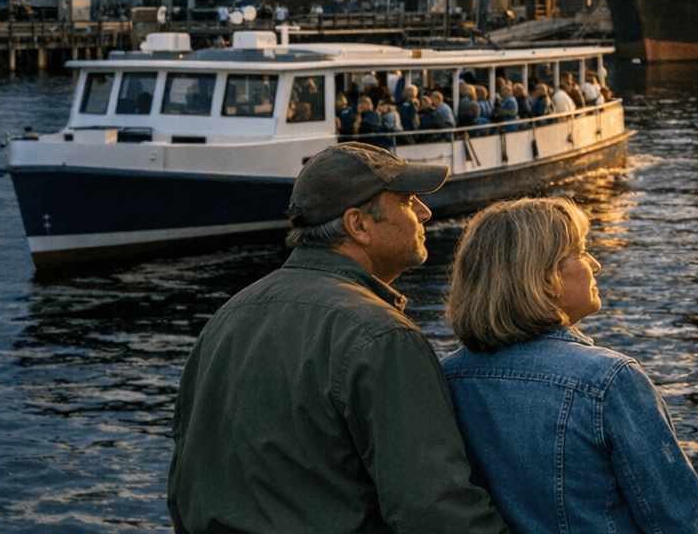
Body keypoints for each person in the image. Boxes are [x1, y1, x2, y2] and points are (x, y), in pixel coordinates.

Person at [167, 143, 506, 534]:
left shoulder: (226, 320)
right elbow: (434, 510)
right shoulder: (381, 335)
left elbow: (183, 487)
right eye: (409, 201)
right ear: (358, 225)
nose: (425, 213)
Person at [442, 197, 698, 534]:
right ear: (546, 278)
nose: (596, 265)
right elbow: (680, 524)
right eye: (583, 252)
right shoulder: (609, 381)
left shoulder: (447, 377)